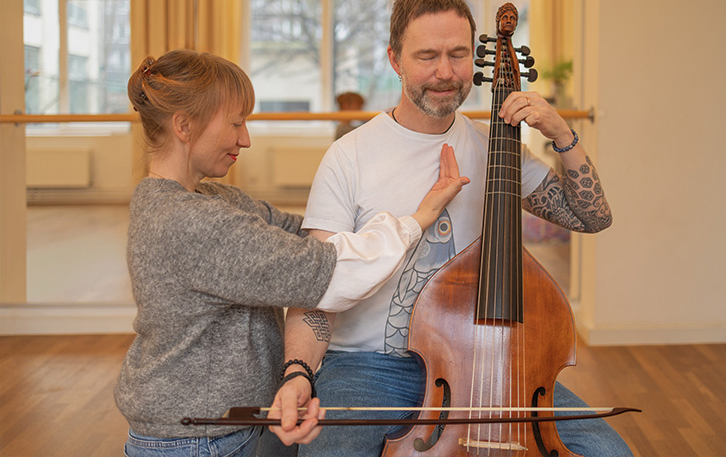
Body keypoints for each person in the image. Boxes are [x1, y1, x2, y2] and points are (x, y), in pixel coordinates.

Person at [269, 0, 632, 457]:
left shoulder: (496, 148)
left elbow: (592, 216)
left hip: (495, 364)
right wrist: (298, 372)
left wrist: (560, 132)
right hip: (370, 368)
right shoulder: (349, 156)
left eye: (458, 55)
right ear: (395, 60)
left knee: (610, 452)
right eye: (427, 56)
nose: (445, 72)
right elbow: (317, 288)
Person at [114, 49, 470, 457]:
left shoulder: (215, 199)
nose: (245, 139)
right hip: (196, 442)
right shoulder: (189, 221)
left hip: (226, 429)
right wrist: (417, 218)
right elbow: (323, 270)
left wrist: (353, 206)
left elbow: (314, 235)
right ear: (183, 125)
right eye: (235, 123)